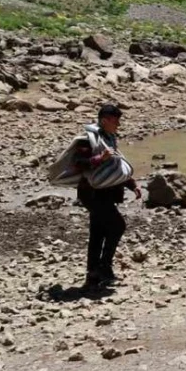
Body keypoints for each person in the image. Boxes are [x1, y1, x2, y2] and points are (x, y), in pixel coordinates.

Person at [75, 104, 140, 290]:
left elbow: (114, 166)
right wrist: (99, 159)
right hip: (92, 194)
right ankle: (104, 267)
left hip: (106, 192)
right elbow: (78, 164)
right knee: (118, 225)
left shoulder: (109, 138)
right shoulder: (88, 140)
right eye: (115, 120)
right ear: (104, 121)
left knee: (98, 232)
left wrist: (131, 184)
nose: (118, 124)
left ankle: (93, 275)